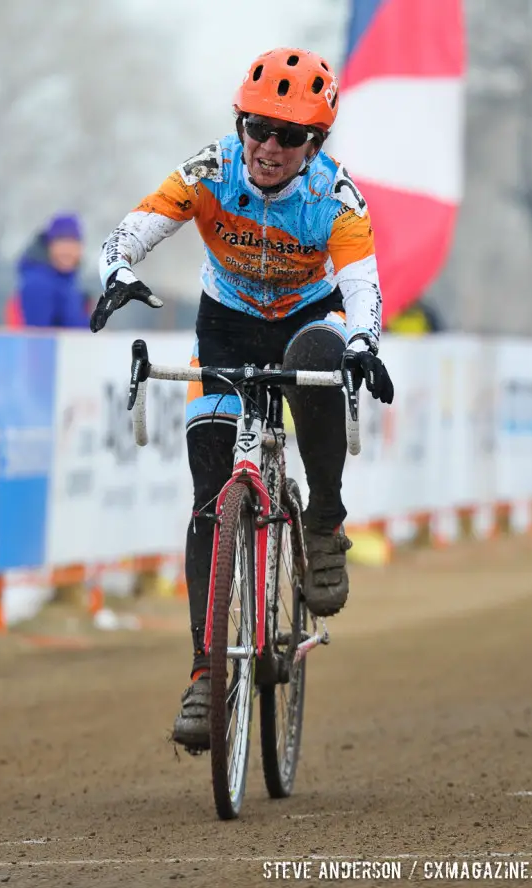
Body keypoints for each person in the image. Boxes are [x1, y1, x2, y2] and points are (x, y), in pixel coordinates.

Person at [90, 47, 395, 751]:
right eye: (257, 126)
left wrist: (363, 344)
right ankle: (205, 673)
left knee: (317, 356)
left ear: (314, 145)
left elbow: (361, 285)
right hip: (224, 323)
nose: (268, 147)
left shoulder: (335, 195)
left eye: (290, 136)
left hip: (305, 317)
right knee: (207, 493)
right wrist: (115, 270)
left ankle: (322, 521)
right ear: (241, 123)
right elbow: (134, 229)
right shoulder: (211, 168)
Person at [8, 214, 90, 328]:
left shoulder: (67, 283)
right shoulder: (38, 283)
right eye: (62, 244)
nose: (67, 251)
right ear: (49, 246)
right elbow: (38, 336)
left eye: (73, 245)